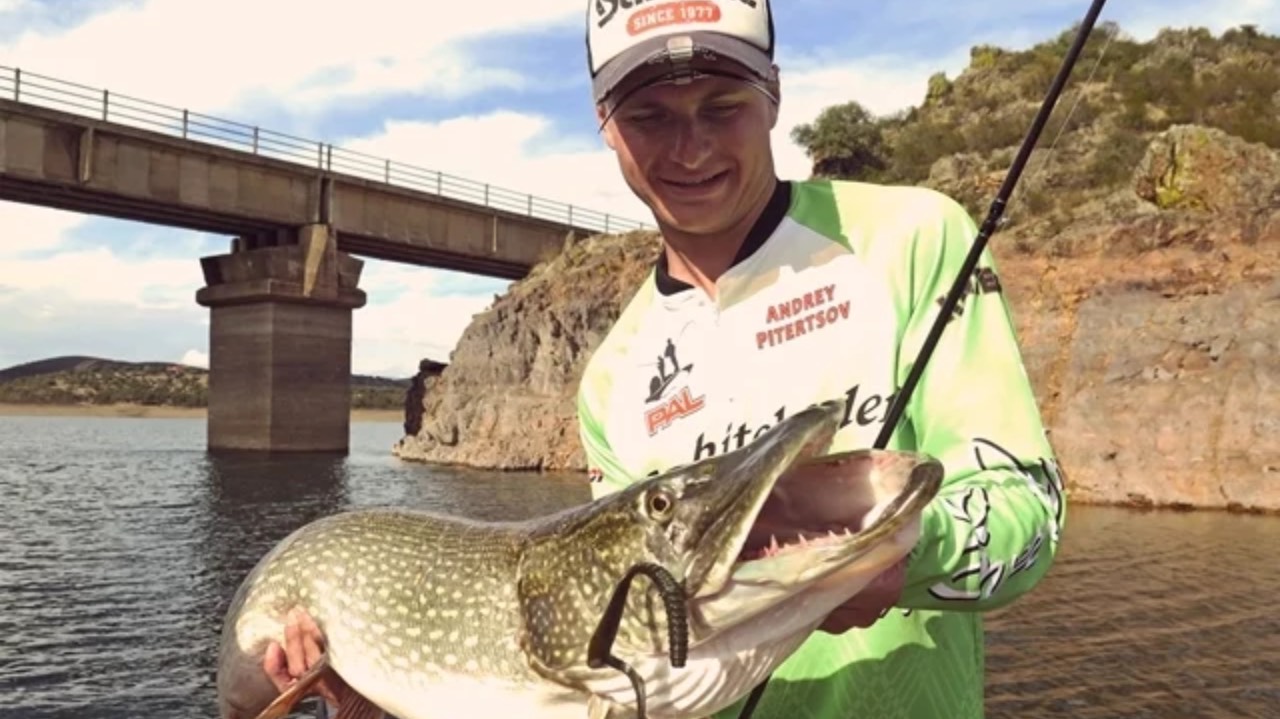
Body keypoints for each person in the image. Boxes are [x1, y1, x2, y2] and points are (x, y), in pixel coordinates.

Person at [264, 1, 1067, 717]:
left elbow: (1028, 508)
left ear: (774, 93)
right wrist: (387, 695)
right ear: (606, 123)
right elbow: (626, 669)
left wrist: (902, 553)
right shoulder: (614, 374)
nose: (691, 148)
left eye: (723, 106)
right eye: (650, 116)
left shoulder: (912, 239)